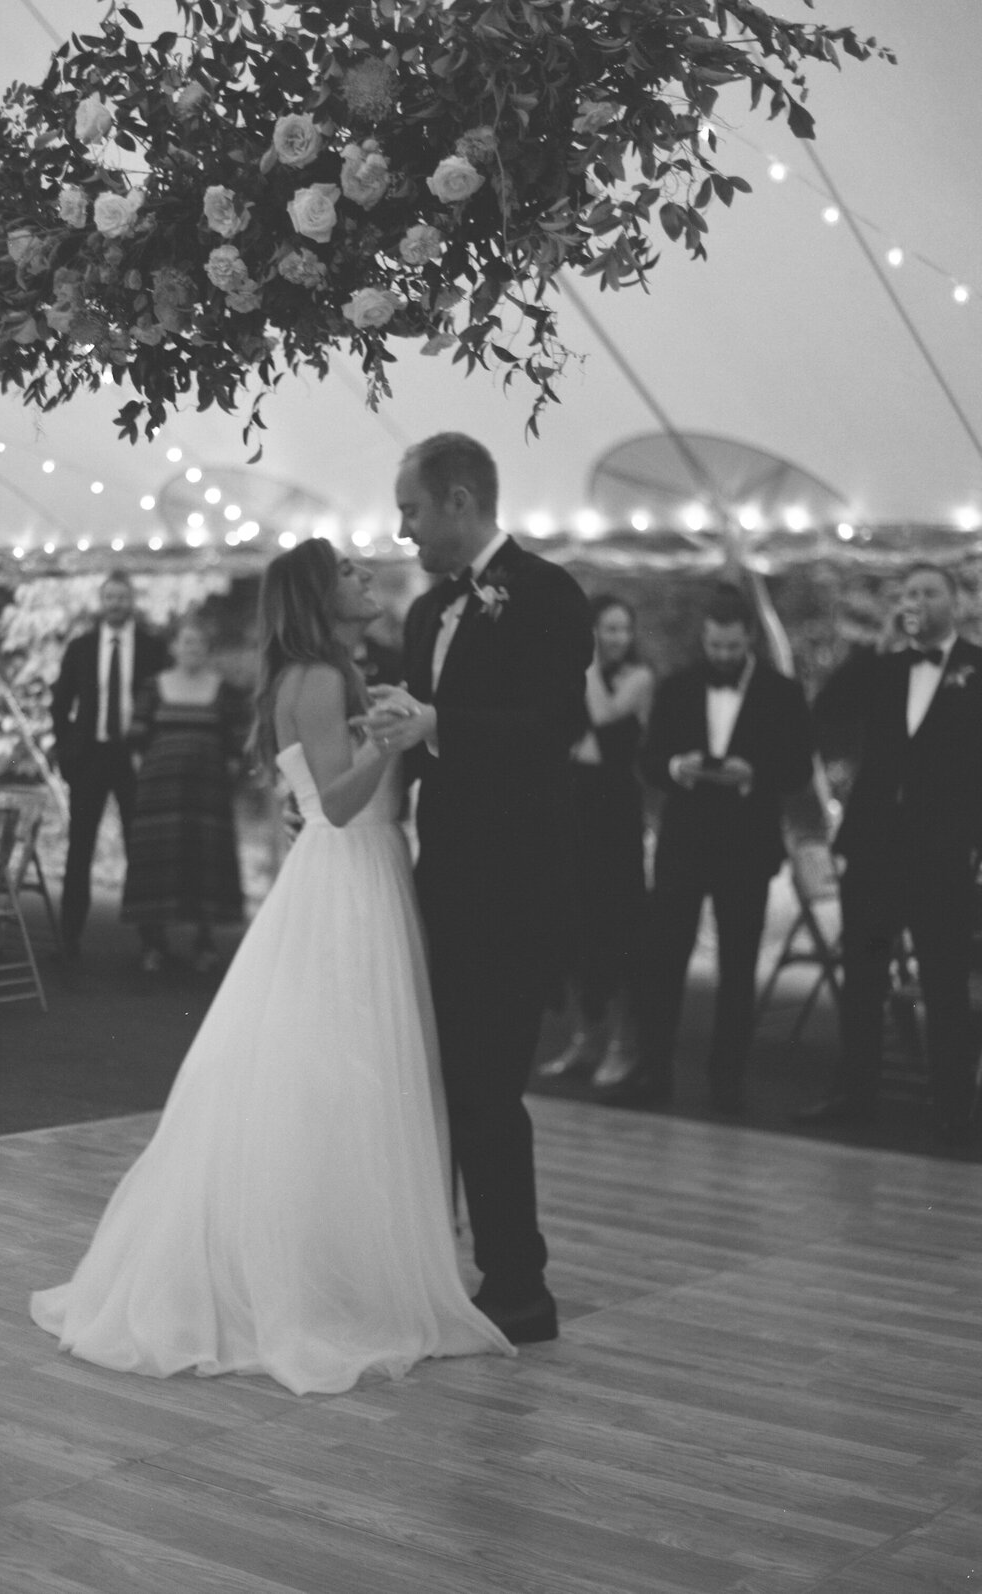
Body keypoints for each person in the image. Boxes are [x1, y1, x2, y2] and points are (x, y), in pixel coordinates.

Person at [30, 539, 513, 1395]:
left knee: (329, 1070)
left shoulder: (317, 672)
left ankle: (331, 1259)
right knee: (351, 1070)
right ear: (321, 598)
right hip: (352, 872)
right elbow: (333, 800)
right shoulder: (322, 678)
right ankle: (332, 1275)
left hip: (349, 872)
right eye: (353, 575)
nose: (368, 580)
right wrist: (394, 742)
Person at [361, 433, 593, 1345]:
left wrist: (437, 722)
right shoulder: (425, 613)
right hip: (439, 881)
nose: (403, 529)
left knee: (491, 1088)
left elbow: (552, 729)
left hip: (518, 885)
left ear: (459, 501)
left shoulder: (546, 595)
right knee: (441, 1084)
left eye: (411, 510)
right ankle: (432, 1268)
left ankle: (519, 1288)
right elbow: (415, 748)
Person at [599, 584, 814, 1115]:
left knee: (739, 970)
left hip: (747, 846)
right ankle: (654, 1071)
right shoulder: (677, 686)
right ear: (704, 638)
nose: (722, 655)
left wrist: (753, 775)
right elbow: (646, 761)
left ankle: (727, 1083)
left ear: (749, 640)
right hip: (685, 843)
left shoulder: (781, 692)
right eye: (715, 646)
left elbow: (797, 769)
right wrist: (676, 768)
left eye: (732, 647)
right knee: (663, 962)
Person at [795, 563, 982, 1147]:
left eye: (928, 592)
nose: (916, 602)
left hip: (944, 851)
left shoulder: (977, 669)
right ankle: (855, 1092)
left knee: (946, 980)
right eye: (908, 594)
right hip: (875, 847)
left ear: (956, 603)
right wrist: (871, 649)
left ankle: (953, 1104)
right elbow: (823, 716)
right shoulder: (881, 666)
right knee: (864, 976)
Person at [539, 595, 652, 1084]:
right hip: (576, 805)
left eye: (623, 629)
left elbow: (604, 719)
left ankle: (625, 1040)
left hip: (616, 812)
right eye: (608, 629)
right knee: (576, 922)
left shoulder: (639, 679)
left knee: (617, 925)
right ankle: (587, 1035)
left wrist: (579, 666)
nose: (617, 639)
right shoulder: (571, 678)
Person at [50, 571, 168, 959]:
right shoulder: (82, 647)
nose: (116, 603)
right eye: (110, 597)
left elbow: (163, 702)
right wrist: (67, 749)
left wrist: (152, 750)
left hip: (134, 758)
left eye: (122, 597)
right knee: (80, 847)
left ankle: (152, 939)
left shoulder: (152, 648)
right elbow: (59, 701)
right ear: (101, 602)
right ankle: (69, 937)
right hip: (91, 755)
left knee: (143, 848)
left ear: (131, 600)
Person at [121, 615, 245, 974]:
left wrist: (225, 775)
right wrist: (148, 776)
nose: (192, 648)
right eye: (185, 641)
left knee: (204, 863)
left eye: (198, 642)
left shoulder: (223, 689)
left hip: (207, 795)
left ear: (207, 649)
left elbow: (236, 745)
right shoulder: (153, 686)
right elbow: (136, 740)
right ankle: (153, 944)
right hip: (160, 793)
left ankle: (204, 942)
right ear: (174, 647)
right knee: (157, 864)